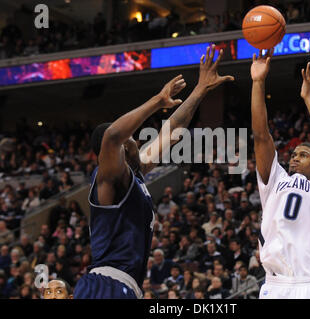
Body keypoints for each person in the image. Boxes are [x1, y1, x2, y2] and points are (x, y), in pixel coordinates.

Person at [73, 45, 233, 299]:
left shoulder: (134, 173)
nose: (136, 139)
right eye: (131, 138)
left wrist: (200, 89)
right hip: (107, 284)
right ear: (120, 150)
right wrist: (158, 101)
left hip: (124, 285)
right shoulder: (109, 178)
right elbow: (113, 135)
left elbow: (171, 132)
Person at [251, 53, 310, 299]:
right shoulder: (276, 181)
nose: (294, 157)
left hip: (309, 284)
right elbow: (261, 135)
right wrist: (258, 83)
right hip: (274, 283)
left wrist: (308, 97)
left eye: (302, 155)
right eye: (293, 154)